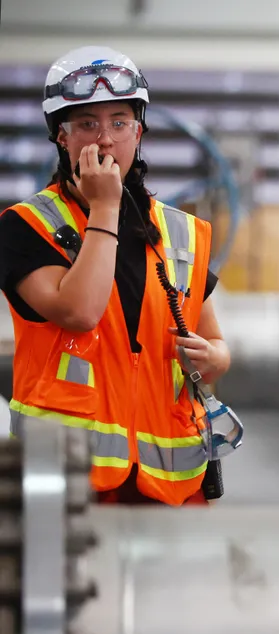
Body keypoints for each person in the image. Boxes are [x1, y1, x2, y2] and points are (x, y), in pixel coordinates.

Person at [0, 45, 234, 506]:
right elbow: (80, 312)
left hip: (172, 483)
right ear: (61, 138)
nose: (105, 139)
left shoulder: (181, 232)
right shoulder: (26, 226)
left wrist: (216, 358)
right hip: (69, 485)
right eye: (87, 124)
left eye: (120, 122)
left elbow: (216, 344)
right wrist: (105, 207)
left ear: (139, 132)